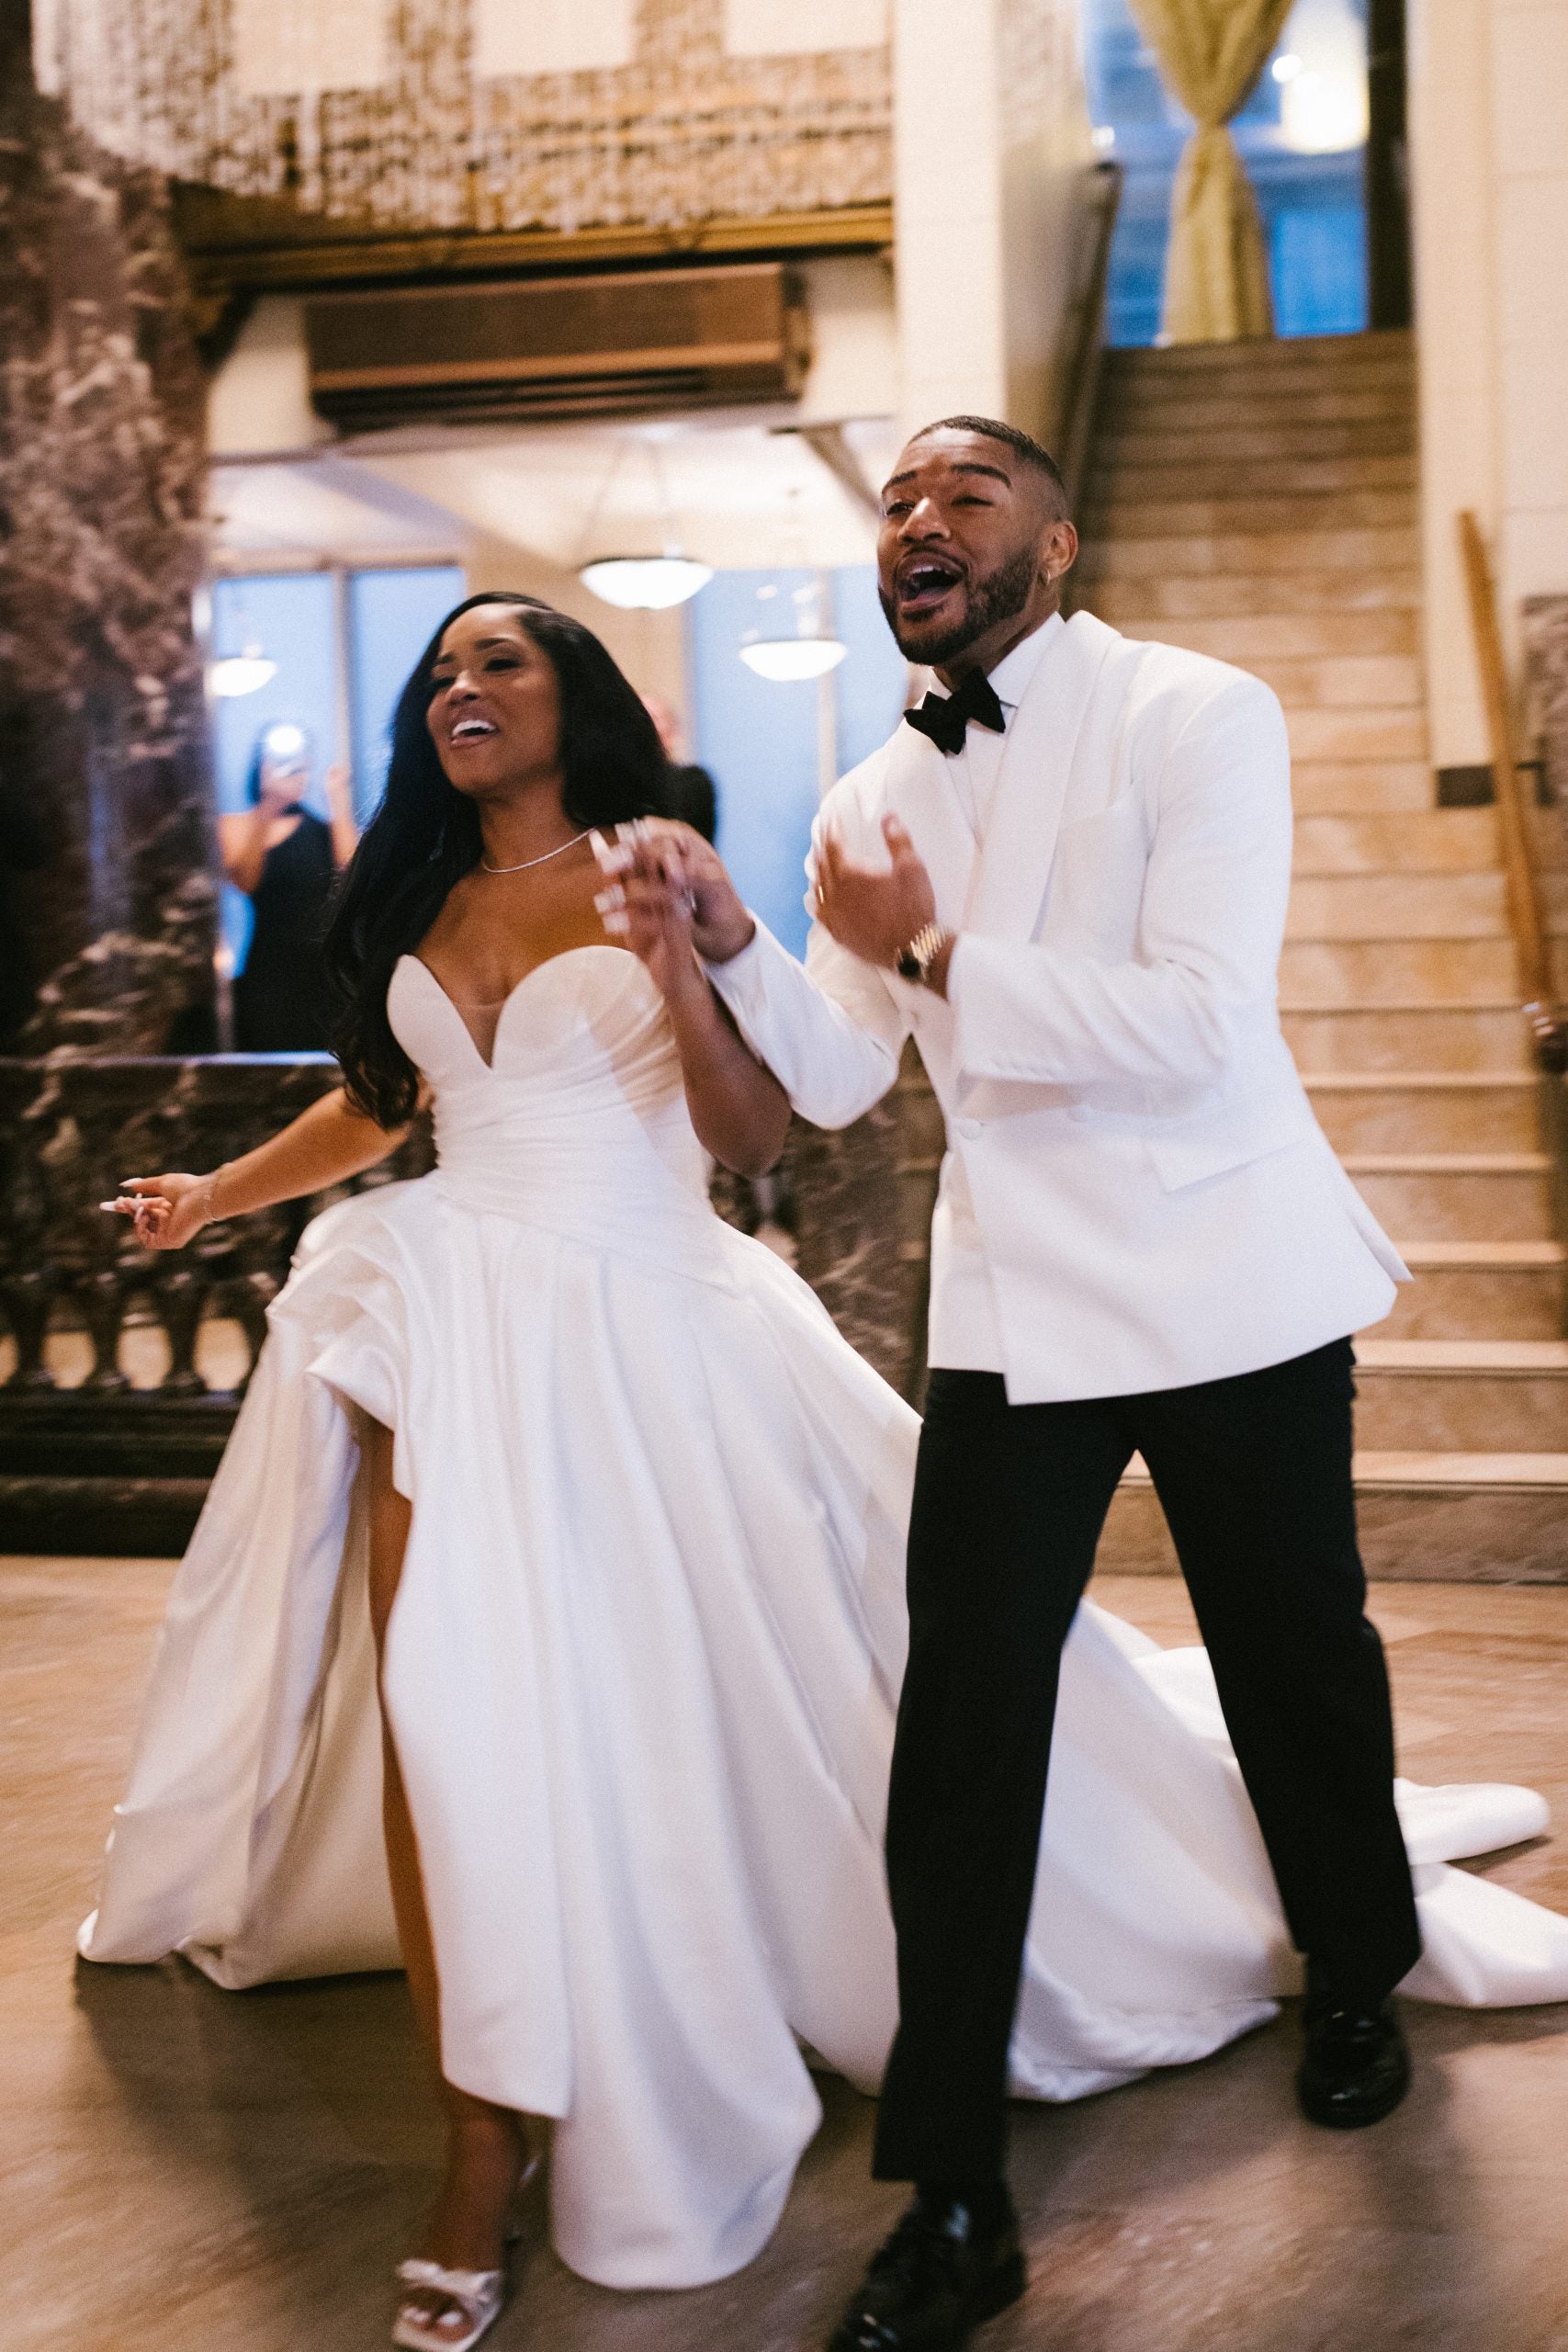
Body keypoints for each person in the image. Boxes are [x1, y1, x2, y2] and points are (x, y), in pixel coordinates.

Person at [85, 595, 1568, 2352]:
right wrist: (214, 1195)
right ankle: (525, 2132)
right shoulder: (442, 880)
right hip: (464, 1316)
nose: (457, 688)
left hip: (757, 1313)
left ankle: (1297, 1957)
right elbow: (410, 1101)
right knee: (468, 1698)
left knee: (1099, 1664)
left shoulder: (754, 842)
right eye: (440, 670)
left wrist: (712, 959)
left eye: (502, 661)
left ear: (582, 700)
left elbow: (782, 1121)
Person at [613, 413, 1485, 2352]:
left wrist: (926, 944)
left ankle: (1355, 1968)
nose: (917, 522)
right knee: (963, 1728)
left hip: (1232, 1274)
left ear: (1056, 542)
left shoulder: (1199, 711)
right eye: (896, 503)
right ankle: (951, 2191)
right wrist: (738, 941)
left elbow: (1197, 1021)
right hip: (1017, 1309)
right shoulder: (865, 787)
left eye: (964, 494)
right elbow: (840, 1076)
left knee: (1292, 1653)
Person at [220, 722, 359, 1050]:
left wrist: (338, 799)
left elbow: (353, 876)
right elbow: (245, 881)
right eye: (281, 761)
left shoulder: (324, 830)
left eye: (300, 763)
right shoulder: (234, 825)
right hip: (269, 969)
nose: (292, 770)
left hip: (325, 973)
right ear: (261, 765)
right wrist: (269, 805)